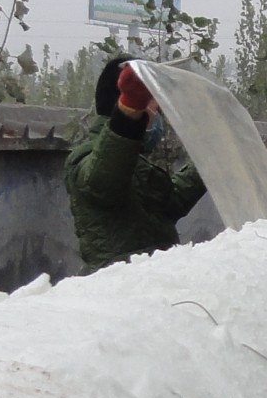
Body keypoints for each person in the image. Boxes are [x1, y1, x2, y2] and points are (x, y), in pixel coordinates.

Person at [64, 57, 207, 271]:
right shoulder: (86, 156)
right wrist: (129, 113)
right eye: (156, 109)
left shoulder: (134, 160)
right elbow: (103, 181)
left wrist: (210, 157)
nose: (159, 119)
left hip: (149, 279)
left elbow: (168, 203)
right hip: (117, 284)